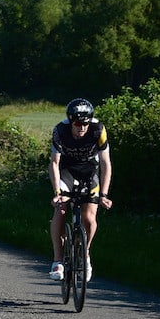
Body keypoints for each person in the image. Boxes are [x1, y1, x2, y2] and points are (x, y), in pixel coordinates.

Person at [48, 98, 113, 282]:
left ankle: (85, 253)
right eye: (77, 123)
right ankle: (57, 260)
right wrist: (56, 193)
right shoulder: (60, 130)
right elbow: (54, 162)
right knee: (60, 210)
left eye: (85, 123)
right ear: (70, 121)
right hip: (67, 171)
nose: (82, 127)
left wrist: (104, 195)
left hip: (90, 172)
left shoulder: (98, 129)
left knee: (89, 218)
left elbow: (106, 163)